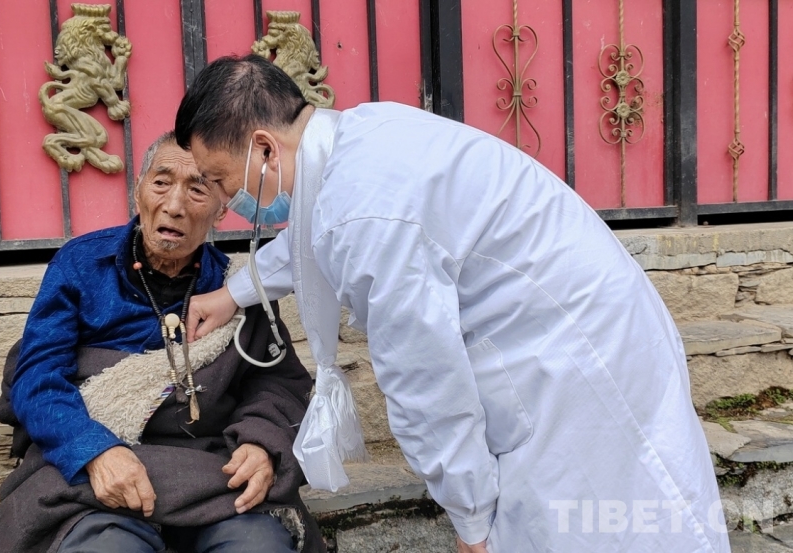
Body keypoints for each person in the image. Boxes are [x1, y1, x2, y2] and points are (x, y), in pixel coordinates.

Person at [173, 54, 730, 552]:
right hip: (586, 329)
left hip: (571, 364)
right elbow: (315, 235)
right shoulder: (362, 138)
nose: (224, 200)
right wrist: (232, 294)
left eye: (221, 179)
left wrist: (470, 519)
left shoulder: (362, 208)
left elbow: (425, 381)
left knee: (595, 524)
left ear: (264, 149)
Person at [0, 132, 325, 553]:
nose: (174, 205)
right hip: (97, 468)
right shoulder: (81, 265)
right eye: (161, 183)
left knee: (258, 546)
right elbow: (37, 376)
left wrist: (261, 442)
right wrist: (94, 451)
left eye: (197, 190)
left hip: (212, 472)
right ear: (138, 192)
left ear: (221, 209)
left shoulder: (239, 289)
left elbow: (278, 382)